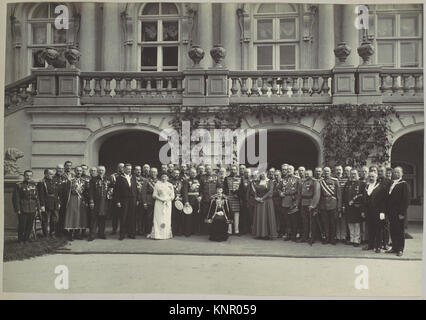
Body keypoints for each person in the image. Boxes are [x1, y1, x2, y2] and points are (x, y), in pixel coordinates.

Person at [12, 170, 42, 243]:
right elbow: (16, 198)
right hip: (23, 208)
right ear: (24, 176)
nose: (28, 177)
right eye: (27, 175)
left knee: (29, 225)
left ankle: (26, 239)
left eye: (30, 175)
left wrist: (38, 208)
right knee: (22, 225)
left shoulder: (34, 185)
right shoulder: (19, 185)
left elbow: (37, 198)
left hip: (32, 208)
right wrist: (18, 209)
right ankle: (20, 240)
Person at [386, 167, 410, 257]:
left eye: (398, 172)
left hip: (399, 213)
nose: (396, 173)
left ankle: (400, 249)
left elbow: (406, 200)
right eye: (395, 172)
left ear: (402, 173)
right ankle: (394, 247)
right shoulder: (391, 183)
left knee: (400, 231)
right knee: (393, 230)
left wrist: (402, 213)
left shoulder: (404, 184)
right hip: (391, 212)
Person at [362, 171, 388, 253]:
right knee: (370, 229)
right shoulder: (366, 186)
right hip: (369, 212)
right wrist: (363, 211)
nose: (371, 178)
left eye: (373, 176)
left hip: (378, 212)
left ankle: (378, 246)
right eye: (369, 176)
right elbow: (364, 200)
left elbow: (384, 201)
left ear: (376, 177)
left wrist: (382, 212)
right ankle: (371, 245)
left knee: (378, 229)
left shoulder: (381, 187)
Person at [114, 164, 138, 240]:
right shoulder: (119, 178)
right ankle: (122, 234)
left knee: (132, 217)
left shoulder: (133, 177)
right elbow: (116, 191)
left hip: (133, 199)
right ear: (124, 169)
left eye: (130, 169)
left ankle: (131, 234)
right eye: (127, 169)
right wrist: (117, 201)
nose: (129, 170)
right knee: (123, 217)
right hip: (124, 200)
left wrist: (137, 199)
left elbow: (135, 189)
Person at [64, 166, 89, 241]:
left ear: (82, 172)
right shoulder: (70, 181)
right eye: (77, 171)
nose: (79, 172)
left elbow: (86, 191)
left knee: (80, 216)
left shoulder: (84, 181)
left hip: (81, 200)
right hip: (73, 199)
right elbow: (66, 191)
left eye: (80, 171)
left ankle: (77, 233)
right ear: (75, 171)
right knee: (73, 215)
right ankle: (70, 234)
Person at [251, 172, 278, 240]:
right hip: (259, 201)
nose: (262, 174)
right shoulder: (257, 182)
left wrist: (262, 198)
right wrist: (256, 197)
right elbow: (255, 191)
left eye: (263, 173)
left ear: (266, 173)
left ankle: (267, 234)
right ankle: (259, 234)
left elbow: (270, 191)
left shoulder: (270, 181)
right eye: (261, 173)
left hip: (267, 201)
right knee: (260, 217)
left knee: (267, 216)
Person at [318, 167, 342, 245]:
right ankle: (327, 237)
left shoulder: (335, 181)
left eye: (327, 171)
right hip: (323, 204)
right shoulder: (320, 181)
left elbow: (339, 195)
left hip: (333, 204)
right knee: (325, 222)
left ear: (330, 172)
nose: (326, 173)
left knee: (333, 223)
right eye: (325, 171)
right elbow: (318, 195)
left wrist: (339, 206)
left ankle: (333, 238)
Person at [342, 169, 365, 247]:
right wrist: (344, 205)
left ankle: (357, 240)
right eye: (351, 174)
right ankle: (352, 239)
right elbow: (344, 195)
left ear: (357, 174)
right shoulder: (347, 184)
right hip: (348, 207)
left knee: (357, 224)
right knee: (350, 223)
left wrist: (356, 203)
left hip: (357, 207)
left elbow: (362, 196)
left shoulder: (361, 184)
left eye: (354, 174)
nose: (353, 175)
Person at [148, 173, 174, 240]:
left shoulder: (170, 185)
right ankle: (158, 234)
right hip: (159, 203)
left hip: (167, 203)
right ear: (161, 177)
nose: (164, 178)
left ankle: (166, 234)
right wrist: (161, 199)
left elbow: (172, 196)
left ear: (167, 177)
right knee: (159, 218)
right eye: (162, 176)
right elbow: (154, 195)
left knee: (166, 218)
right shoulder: (157, 184)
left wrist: (167, 199)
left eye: (165, 176)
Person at [280, 165, 301, 241]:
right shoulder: (283, 179)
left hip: (293, 201)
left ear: (293, 170)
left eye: (290, 169)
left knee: (294, 220)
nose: (289, 171)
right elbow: (278, 188)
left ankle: (294, 235)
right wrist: (280, 193)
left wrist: (297, 203)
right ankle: (288, 234)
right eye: (287, 169)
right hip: (285, 201)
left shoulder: (297, 179)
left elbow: (299, 192)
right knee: (287, 220)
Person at [88, 166, 110, 240]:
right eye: (100, 170)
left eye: (102, 170)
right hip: (96, 201)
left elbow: (111, 188)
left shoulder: (107, 179)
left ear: (105, 171)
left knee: (103, 218)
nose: (101, 171)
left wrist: (110, 192)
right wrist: (91, 201)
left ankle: (101, 233)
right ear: (97, 171)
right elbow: (90, 191)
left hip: (104, 201)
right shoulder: (93, 180)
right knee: (94, 218)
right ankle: (92, 234)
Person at [298, 171, 321, 244]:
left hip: (311, 203)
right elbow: (300, 193)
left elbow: (317, 194)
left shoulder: (315, 182)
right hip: (303, 203)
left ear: (312, 174)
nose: (307, 175)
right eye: (306, 174)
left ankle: (312, 238)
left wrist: (313, 205)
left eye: (308, 174)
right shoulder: (303, 182)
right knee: (305, 221)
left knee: (312, 222)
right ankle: (305, 237)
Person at [37, 169, 60, 238]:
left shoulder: (54, 182)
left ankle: (52, 233)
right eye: (50, 174)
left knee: (55, 219)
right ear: (45, 174)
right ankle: (46, 234)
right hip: (46, 203)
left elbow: (57, 193)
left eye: (52, 174)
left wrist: (58, 202)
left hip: (54, 203)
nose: (52, 175)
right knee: (46, 220)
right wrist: (42, 205)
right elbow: (40, 195)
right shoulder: (41, 182)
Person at [199, 165, 219, 235]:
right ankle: (206, 230)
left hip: (214, 199)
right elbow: (200, 189)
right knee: (205, 214)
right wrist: (201, 196)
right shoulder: (202, 177)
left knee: (213, 214)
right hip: (205, 199)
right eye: (207, 169)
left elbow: (219, 187)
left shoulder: (216, 176)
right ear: (205, 170)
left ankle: (214, 230)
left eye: (209, 169)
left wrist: (217, 196)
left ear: (211, 169)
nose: (208, 170)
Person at [182, 168, 201, 236]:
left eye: (194, 172)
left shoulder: (199, 180)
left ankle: (195, 231)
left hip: (197, 201)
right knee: (188, 217)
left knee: (196, 217)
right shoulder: (186, 181)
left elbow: (201, 190)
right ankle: (188, 232)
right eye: (192, 172)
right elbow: (184, 192)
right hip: (190, 200)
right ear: (189, 173)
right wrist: (186, 201)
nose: (193, 174)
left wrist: (200, 196)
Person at [224, 164, 241, 235]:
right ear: (230, 170)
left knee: (236, 214)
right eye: (232, 169)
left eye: (234, 169)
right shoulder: (226, 178)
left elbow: (242, 188)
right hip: (229, 198)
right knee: (229, 214)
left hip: (236, 198)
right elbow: (224, 188)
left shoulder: (240, 178)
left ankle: (236, 231)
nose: (233, 171)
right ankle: (229, 231)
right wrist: (226, 196)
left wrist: (238, 194)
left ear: (236, 170)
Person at [141, 167, 159, 235]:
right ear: (150, 173)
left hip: (157, 201)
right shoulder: (146, 181)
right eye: (152, 172)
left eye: (155, 172)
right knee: (149, 217)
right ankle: (148, 231)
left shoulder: (159, 181)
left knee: (157, 217)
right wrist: (144, 202)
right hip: (149, 201)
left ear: (157, 173)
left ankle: (156, 231)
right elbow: (143, 192)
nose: (153, 173)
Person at [53, 164, 68, 237]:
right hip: (56, 200)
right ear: (56, 169)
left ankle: (63, 231)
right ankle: (56, 232)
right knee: (56, 217)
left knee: (63, 216)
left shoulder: (65, 178)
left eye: (62, 168)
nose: (61, 170)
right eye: (59, 168)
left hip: (64, 200)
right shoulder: (53, 178)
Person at [109, 163, 124, 235]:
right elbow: (110, 186)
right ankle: (114, 229)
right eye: (120, 167)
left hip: (124, 198)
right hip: (115, 198)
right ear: (117, 168)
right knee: (115, 215)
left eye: (123, 167)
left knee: (123, 215)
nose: (121, 168)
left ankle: (123, 229)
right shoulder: (113, 176)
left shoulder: (126, 176)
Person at [334, 165, 348, 243]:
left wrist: (343, 204)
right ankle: (337, 236)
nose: (338, 171)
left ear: (342, 171)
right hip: (335, 202)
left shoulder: (345, 180)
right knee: (336, 219)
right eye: (337, 170)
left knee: (343, 220)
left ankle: (343, 236)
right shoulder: (333, 179)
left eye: (340, 170)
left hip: (343, 201)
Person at [170, 169, 184, 236]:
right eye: (175, 173)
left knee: (179, 216)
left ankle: (179, 231)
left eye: (178, 173)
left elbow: (184, 191)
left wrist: (181, 198)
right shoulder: (169, 182)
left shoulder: (181, 181)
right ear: (172, 174)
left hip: (180, 200)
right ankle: (173, 231)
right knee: (173, 216)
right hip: (172, 200)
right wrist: (174, 197)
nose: (177, 174)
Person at [134, 166, 147, 235]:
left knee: (141, 216)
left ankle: (140, 230)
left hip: (142, 200)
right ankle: (134, 230)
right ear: (134, 171)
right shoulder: (132, 179)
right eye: (137, 170)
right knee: (134, 216)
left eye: (139, 170)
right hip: (134, 200)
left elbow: (144, 191)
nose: (139, 171)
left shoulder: (144, 180)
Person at [238, 168, 252, 234]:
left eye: (248, 172)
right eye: (246, 172)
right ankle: (244, 230)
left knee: (251, 215)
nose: (247, 174)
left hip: (251, 200)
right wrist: (241, 199)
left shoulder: (253, 180)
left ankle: (251, 229)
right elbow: (240, 190)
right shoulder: (241, 180)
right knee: (243, 215)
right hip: (244, 200)